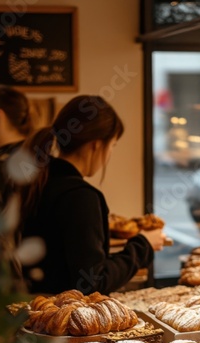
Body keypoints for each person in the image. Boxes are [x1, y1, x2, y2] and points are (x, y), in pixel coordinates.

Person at [20, 95, 166, 296]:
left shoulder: (38, 182)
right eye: (113, 145)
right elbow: (93, 282)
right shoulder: (80, 197)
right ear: (97, 144)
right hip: (64, 317)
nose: (110, 154)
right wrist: (143, 246)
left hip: (34, 312)